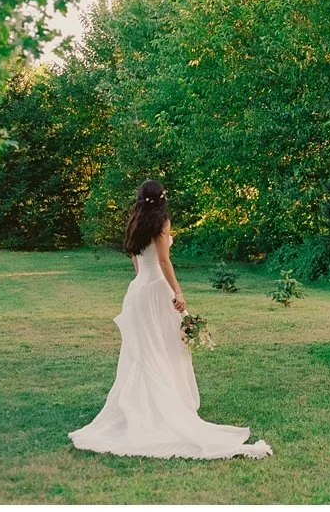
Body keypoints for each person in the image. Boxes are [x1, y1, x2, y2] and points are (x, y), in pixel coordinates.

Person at [68, 179, 272, 460]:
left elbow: (135, 258)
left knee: (143, 351)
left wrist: (142, 279)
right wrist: (178, 292)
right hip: (156, 292)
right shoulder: (161, 222)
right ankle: (164, 407)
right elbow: (164, 261)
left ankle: (142, 406)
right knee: (164, 348)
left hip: (138, 291)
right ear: (162, 198)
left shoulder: (135, 221)